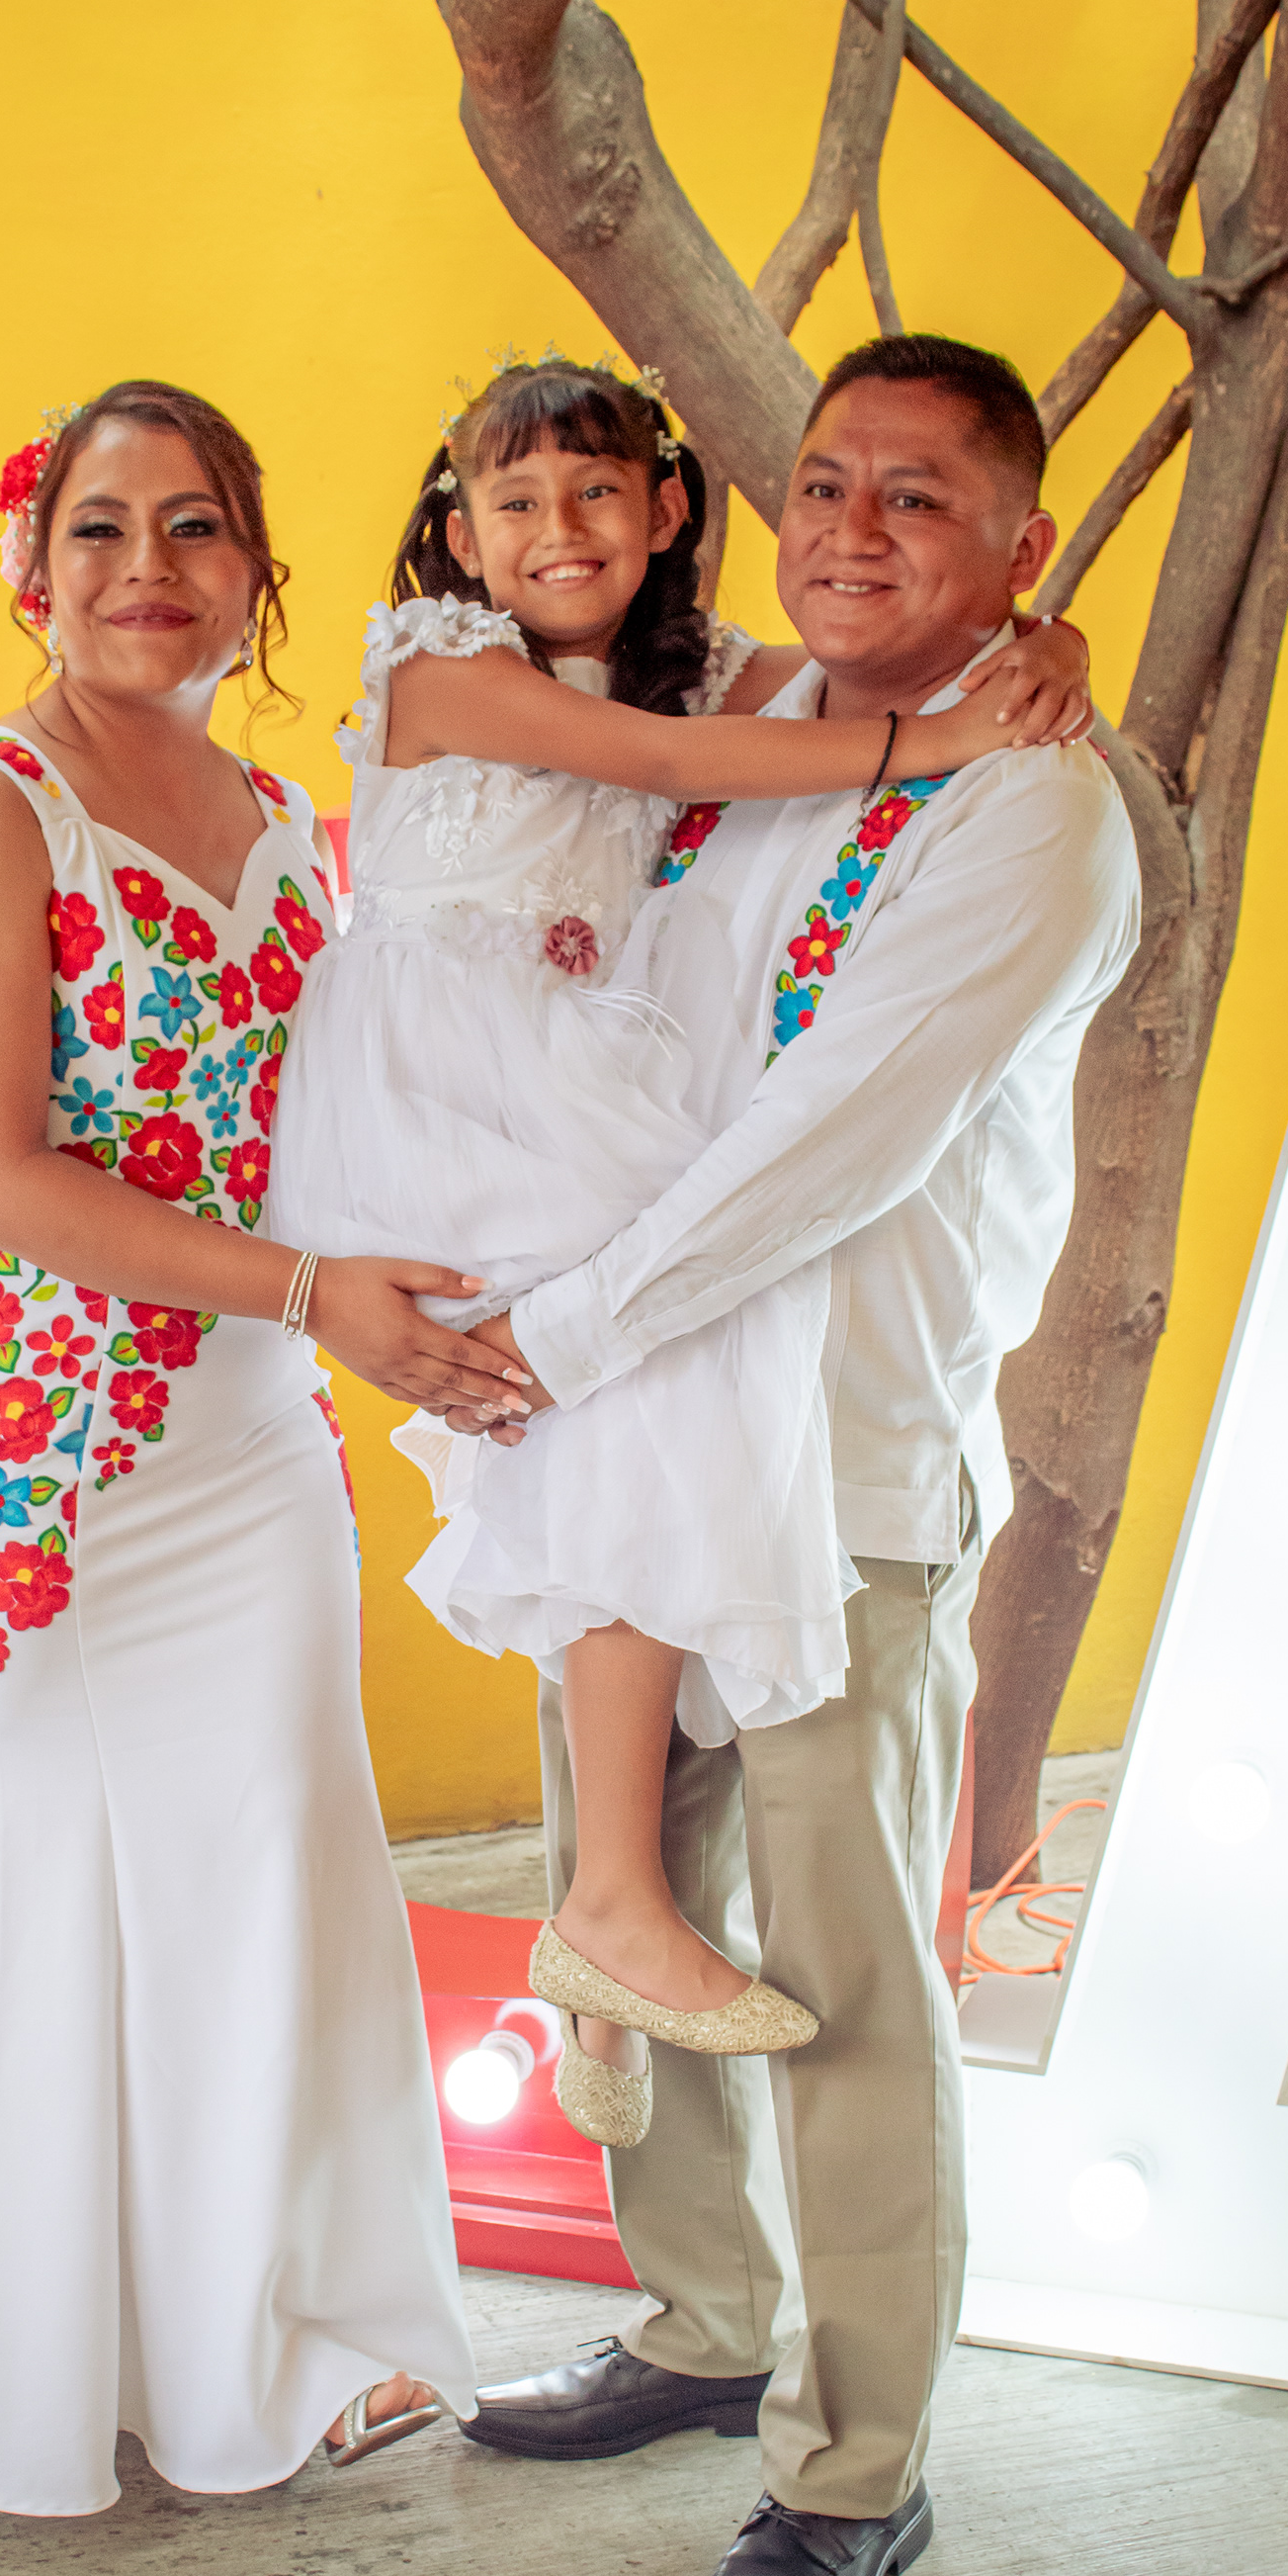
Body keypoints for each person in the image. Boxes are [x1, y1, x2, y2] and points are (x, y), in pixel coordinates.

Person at [0, 380, 536, 2511]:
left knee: (261, 1862)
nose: (145, 570)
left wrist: (450, 1289)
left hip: (251, 1430)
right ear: (34, 569)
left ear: (255, 575)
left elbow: (334, 1124)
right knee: (51, 1868)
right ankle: (47, 2365)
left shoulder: (284, 815)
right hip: (35, 1442)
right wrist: (315, 1295)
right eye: (100, 529)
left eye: (193, 528)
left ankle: (264, 2341)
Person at [448, 335, 1143, 2576]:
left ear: (1021, 549)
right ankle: (699, 2320)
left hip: (839, 1465)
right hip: (634, 1445)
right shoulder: (741, 715)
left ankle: (855, 2465)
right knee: (623, 1912)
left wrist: (542, 1342)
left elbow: (819, 1147)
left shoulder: (1032, 809)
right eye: (826, 482)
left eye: (919, 499)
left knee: (838, 1980)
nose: (853, 529)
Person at [267, 354, 1089, 2149]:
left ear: (660, 514)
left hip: (809, 1396)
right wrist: (939, 731)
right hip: (449, 1092)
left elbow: (805, 692)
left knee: (648, 1386)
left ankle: (611, 1912)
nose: (557, 531)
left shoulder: (761, 694)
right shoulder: (458, 667)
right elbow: (670, 762)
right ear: (459, 532)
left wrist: (1038, 651)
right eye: (513, 502)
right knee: (656, 1336)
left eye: (596, 494)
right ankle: (616, 1905)